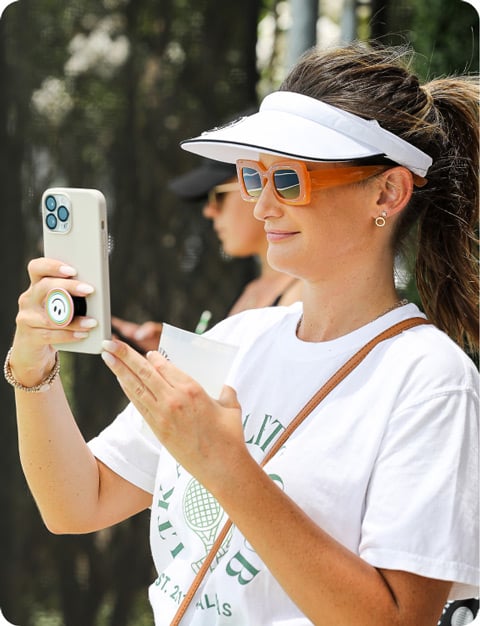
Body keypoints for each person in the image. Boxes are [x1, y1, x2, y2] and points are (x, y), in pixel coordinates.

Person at [6, 41, 479, 626]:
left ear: (387, 192)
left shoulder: (432, 379)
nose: (262, 207)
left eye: (288, 178)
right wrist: (33, 370)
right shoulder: (237, 336)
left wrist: (224, 465)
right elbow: (76, 503)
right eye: (253, 178)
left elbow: (398, 620)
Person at [112, 149, 302, 353]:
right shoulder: (255, 288)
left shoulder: (303, 296)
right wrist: (175, 351)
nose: (209, 210)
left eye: (217, 195)